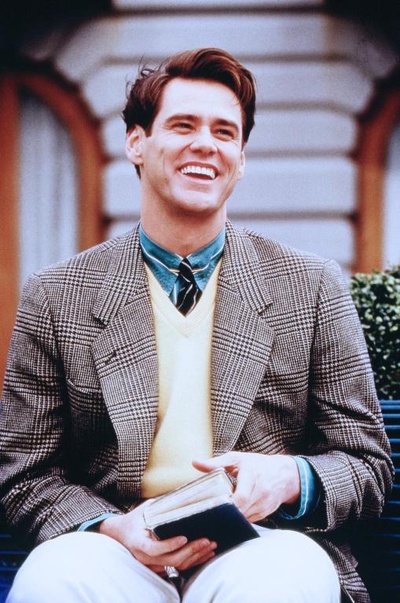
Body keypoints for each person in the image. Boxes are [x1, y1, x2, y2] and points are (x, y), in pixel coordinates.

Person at [0, 47, 393, 603]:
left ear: (241, 158)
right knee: (51, 580)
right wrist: (112, 528)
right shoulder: (55, 295)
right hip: (116, 547)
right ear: (136, 142)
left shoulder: (311, 286)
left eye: (224, 132)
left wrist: (288, 479)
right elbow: (22, 475)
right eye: (183, 125)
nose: (206, 144)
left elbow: (366, 466)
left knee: (278, 584)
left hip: (265, 544)